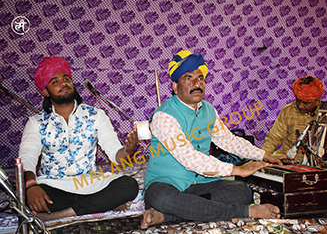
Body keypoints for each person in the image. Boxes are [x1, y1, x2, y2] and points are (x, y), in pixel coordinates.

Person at [140, 50, 287, 229]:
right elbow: (190, 159)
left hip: (198, 185)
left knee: (241, 191)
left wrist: (265, 155)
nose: (196, 83)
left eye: (200, 78)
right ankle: (243, 211)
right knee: (160, 198)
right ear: (175, 86)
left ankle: (166, 216)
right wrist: (236, 170)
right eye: (188, 78)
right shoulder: (164, 116)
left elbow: (228, 140)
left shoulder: (209, 110)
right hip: (167, 183)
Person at [19, 56, 139, 221]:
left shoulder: (96, 115)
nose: (63, 83)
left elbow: (116, 155)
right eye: (55, 81)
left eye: (66, 78)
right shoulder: (36, 122)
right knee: (20, 195)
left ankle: (62, 214)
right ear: (45, 91)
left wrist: (128, 150)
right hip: (53, 185)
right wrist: (31, 186)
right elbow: (27, 157)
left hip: (89, 183)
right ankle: (102, 204)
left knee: (129, 185)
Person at [262, 76, 327, 171]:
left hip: (321, 164)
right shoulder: (288, 111)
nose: (300, 106)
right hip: (291, 163)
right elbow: (273, 139)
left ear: (317, 102)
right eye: (298, 100)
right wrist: (262, 158)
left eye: (305, 103)